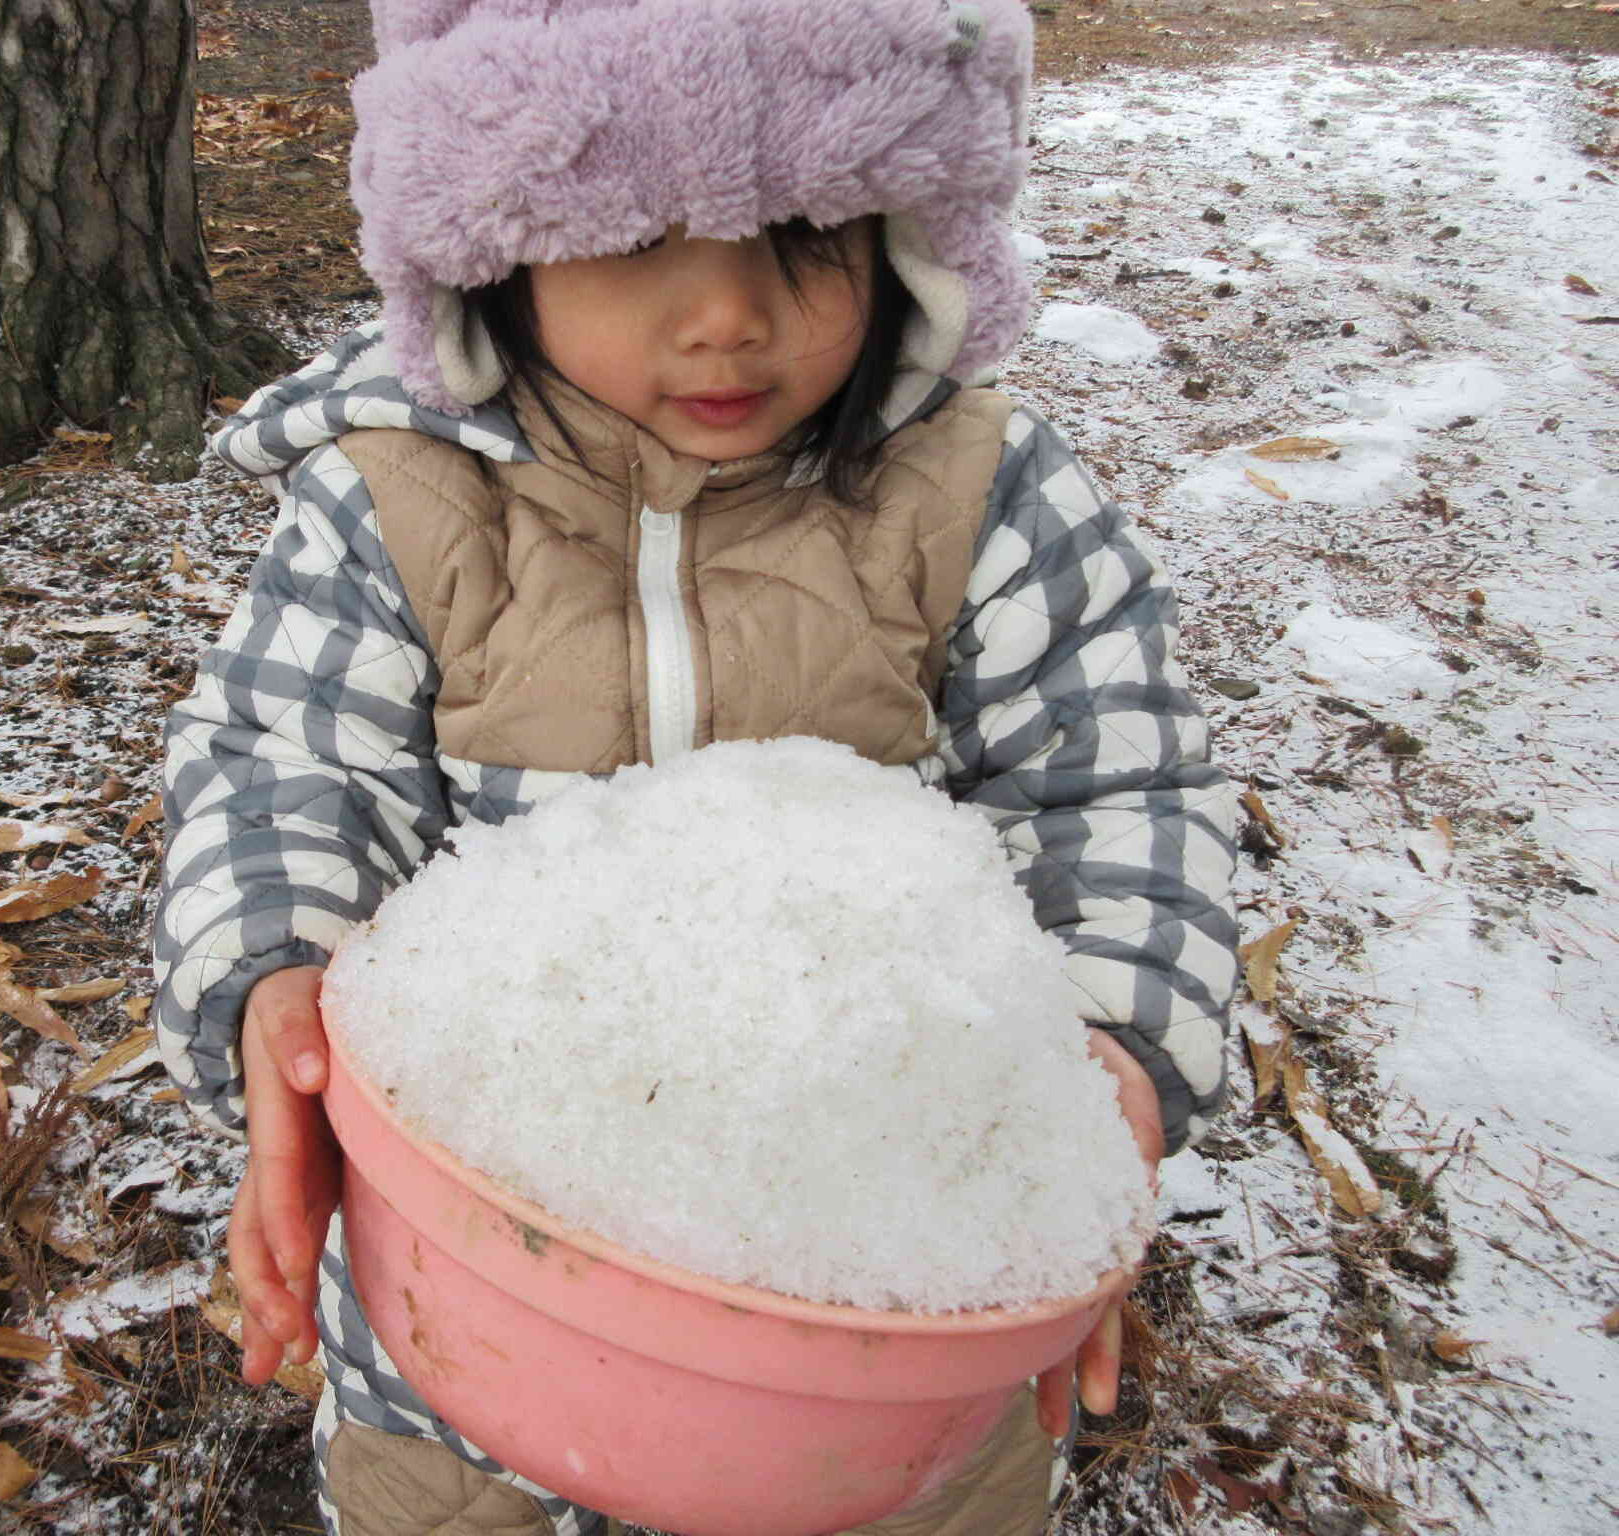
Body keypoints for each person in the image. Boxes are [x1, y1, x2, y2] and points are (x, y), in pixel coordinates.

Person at [152, 1, 1238, 1532]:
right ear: (494, 244)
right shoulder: (395, 501)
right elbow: (285, 768)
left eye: (801, 229)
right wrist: (274, 977)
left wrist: (1105, 1059)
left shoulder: (977, 495)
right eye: (635, 232)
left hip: (877, 1349)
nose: (726, 313)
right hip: (471, 1345)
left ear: (901, 224)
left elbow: (1112, 792)